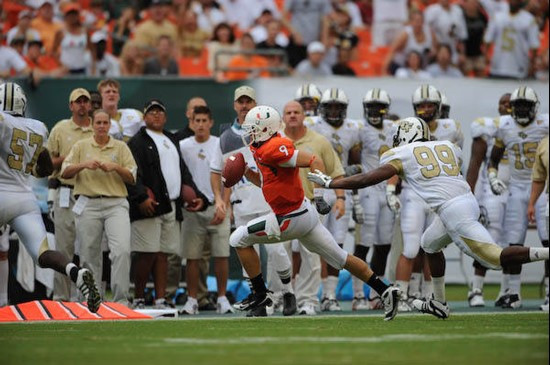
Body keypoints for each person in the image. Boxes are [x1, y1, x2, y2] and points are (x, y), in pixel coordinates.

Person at [308, 116, 549, 319]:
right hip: (466, 201)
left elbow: (371, 178)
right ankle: (440, 302)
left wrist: (332, 182)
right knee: (430, 244)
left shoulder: (401, 153)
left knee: (494, 259)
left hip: (454, 210)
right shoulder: (449, 147)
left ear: (405, 134)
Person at [231, 105, 400, 319]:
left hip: (290, 217)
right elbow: (267, 182)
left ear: (266, 129)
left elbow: (313, 160)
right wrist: (246, 173)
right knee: (341, 258)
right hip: (303, 214)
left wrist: (319, 196)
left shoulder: (274, 147)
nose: (249, 133)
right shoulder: (261, 147)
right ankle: (386, 290)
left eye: (253, 128)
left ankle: (260, 293)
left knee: (238, 238)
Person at [0, 81, 100, 312]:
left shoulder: (3, 121)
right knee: (43, 253)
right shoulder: (38, 127)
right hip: (24, 200)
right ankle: (75, 271)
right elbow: (44, 168)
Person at [212, 86, 296, 315]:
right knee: (249, 256)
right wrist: (222, 200)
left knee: (278, 251)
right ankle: (261, 301)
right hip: (242, 204)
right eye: (241, 101)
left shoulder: (270, 130)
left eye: (248, 101)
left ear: (255, 104)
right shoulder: (227, 136)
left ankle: (288, 293)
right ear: (234, 105)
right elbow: (221, 171)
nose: (244, 105)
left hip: (269, 200)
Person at [389, 84, 463, 311]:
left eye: (430, 104)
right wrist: (391, 190)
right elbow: (394, 163)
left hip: (438, 195)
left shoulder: (452, 129)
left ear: (439, 107)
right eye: (421, 105)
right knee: (410, 248)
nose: (426, 109)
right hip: (413, 193)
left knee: (433, 247)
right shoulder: (405, 128)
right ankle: (400, 296)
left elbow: (456, 166)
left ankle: (432, 295)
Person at [127, 99, 206, 309]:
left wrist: (195, 194)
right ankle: (139, 298)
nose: (156, 115)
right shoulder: (137, 142)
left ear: (165, 116)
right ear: (145, 117)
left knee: (163, 254)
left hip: (171, 204)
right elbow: (132, 173)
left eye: (159, 112)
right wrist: (141, 197)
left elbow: (182, 170)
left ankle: (161, 299)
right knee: (147, 253)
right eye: (152, 112)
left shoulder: (171, 138)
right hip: (150, 204)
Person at [61, 109, 137, 306]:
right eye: (98, 123)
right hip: (88, 203)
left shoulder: (120, 147)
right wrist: (84, 165)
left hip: (116, 203)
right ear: (91, 124)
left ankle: (121, 301)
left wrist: (116, 168)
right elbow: (65, 172)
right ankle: (91, 299)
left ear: (110, 125)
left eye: (105, 123)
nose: (102, 126)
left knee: (121, 250)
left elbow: (132, 177)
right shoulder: (80, 146)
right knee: (88, 253)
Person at [282, 100, 346, 315]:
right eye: (288, 112)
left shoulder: (319, 141)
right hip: (281, 205)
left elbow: (336, 171)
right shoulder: (276, 141)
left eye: (296, 112)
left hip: (309, 203)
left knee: (312, 253)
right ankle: (280, 297)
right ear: (282, 117)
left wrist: (341, 198)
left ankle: (308, 300)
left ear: (303, 116)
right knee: (279, 254)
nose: (292, 115)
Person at [488, 86, 549, 309]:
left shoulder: (545, 124)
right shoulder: (504, 127)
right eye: (518, 105)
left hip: (544, 188)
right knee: (513, 243)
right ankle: (513, 293)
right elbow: (493, 159)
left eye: (526, 105)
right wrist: (493, 177)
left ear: (535, 108)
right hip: (516, 188)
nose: (522, 109)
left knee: (547, 241)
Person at [306, 87, 363, 312]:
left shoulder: (353, 129)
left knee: (337, 243)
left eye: (338, 107)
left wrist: (354, 197)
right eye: (329, 106)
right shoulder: (312, 125)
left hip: (340, 189)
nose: (333, 111)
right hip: (318, 188)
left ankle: (330, 294)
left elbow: (357, 166)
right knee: (313, 243)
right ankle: (311, 294)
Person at [179, 105, 233, 315]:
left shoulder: (221, 144)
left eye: (204, 121)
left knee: (222, 255)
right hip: (192, 210)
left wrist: (224, 205)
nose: (200, 124)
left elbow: (229, 176)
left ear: (210, 123)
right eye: (197, 121)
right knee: (192, 257)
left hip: (217, 207)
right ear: (191, 123)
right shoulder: (182, 146)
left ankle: (221, 298)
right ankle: (192, 299)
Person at [464, 93, 511, 307]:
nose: (507, 106)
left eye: (511, 103)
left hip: (520, 189)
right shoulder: (487, 127)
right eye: (503, 102)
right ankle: (476, 289)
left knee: (513, 240)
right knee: (487, 239)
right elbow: (474, 164)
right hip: (491, 191)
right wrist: (469, 196)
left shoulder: (533, 129)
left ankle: (508, 290)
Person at [47, 88, 94, 302]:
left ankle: (89, 297)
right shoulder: (60, 129)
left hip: (90, 194)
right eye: (78, 101)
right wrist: (67, 158)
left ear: (90, 105)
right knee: (63, 249)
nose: (82, 105)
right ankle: (61, 298)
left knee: (89, 248)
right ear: (71, 106)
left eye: (85, 101)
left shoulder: (97, 128)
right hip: (65, 191)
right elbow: (46, 164)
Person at [355, 88, 398, 310]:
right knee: (364, 243)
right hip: (368, 191)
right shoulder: (359, 130)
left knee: (384, 244)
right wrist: (354, 197)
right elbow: (353, 161)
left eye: (379, 107)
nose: (374, 111)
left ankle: (375, 294)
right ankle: (356, 295)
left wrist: (393, 189)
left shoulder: (394, 128)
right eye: (371, 107)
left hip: (387, 190)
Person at [483, 0, 539, 79]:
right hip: (498, 66)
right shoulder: (497, 17)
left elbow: (534, 45)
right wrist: (486, 56)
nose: (513, 2)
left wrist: (532, 64)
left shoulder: (529, 19)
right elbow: (487, 40)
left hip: (519, 67)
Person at [527, 135, 549, 311]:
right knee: (549, 248)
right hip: (548, 199)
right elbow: (539, 178)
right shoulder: (545, 143)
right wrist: (532, 203)